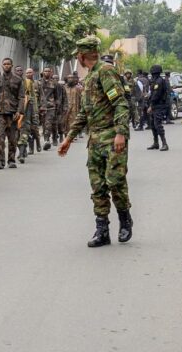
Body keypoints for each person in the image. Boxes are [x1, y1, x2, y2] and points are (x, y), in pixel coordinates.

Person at [58, 36, 132, 248]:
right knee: (98, 186)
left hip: (111, 138)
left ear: (82, 56)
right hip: (95, 140)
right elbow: (84, 112)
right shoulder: (90, 77)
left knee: (115, 182)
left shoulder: (105, 71)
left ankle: (125, 220)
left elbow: (120, 103)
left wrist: (120, 134)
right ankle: (102, 230)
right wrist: (69, 138)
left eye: (78, 56)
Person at [0, 58, 25, 169]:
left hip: (12, 113)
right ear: (2, 66)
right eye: (4, 64)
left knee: (12, 138)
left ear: (11, 65)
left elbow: (21, 97)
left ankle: (11, 160)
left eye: (8, 64)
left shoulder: (18, 80)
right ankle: (0, 161)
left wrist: (19, 111)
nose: (6, 66)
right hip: (0, 113)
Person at [146, 65, 170, 151]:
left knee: (157, 125)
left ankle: (164, 144)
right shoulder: (156, 81)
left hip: (158, 106)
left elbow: (156, 95)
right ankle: (156, 143)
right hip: (155, 105)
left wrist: (151, 106)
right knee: (153, 125)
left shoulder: (159, 81)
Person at [21, 67, 43, 156]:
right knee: (27, 129)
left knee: (35, 129)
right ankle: (30, 148)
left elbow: (42, 96)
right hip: (26, 109)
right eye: (27, 73)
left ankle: (38, 142)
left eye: (30, 72)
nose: (29, 74)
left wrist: (42, 107)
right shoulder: (23, 83)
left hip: (35, 109)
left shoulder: (37, 83)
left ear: (33, 73)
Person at [39, 67, 59, 151]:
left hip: (51, 106)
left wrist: (57, 106)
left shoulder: (54, 83)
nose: (46, 72)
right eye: (45, 71)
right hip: (41, 107)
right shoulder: (39, 83)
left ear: (51, 72)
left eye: (48, 71)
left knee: (48, 123)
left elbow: (57, 96)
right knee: (43, 123)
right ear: (43, 72)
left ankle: (47, 140)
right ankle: (49, 138)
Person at [55, 76, 70, 146]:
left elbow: (65, 98)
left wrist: (65, 107)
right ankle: (54, 137)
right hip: (52, 108)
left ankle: (61, 135)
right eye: (54, 78)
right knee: (52, 124)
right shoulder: (50, 87)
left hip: (60, 109)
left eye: (56, 78)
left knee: (60, 123)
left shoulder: (61, 88)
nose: (55, 80)